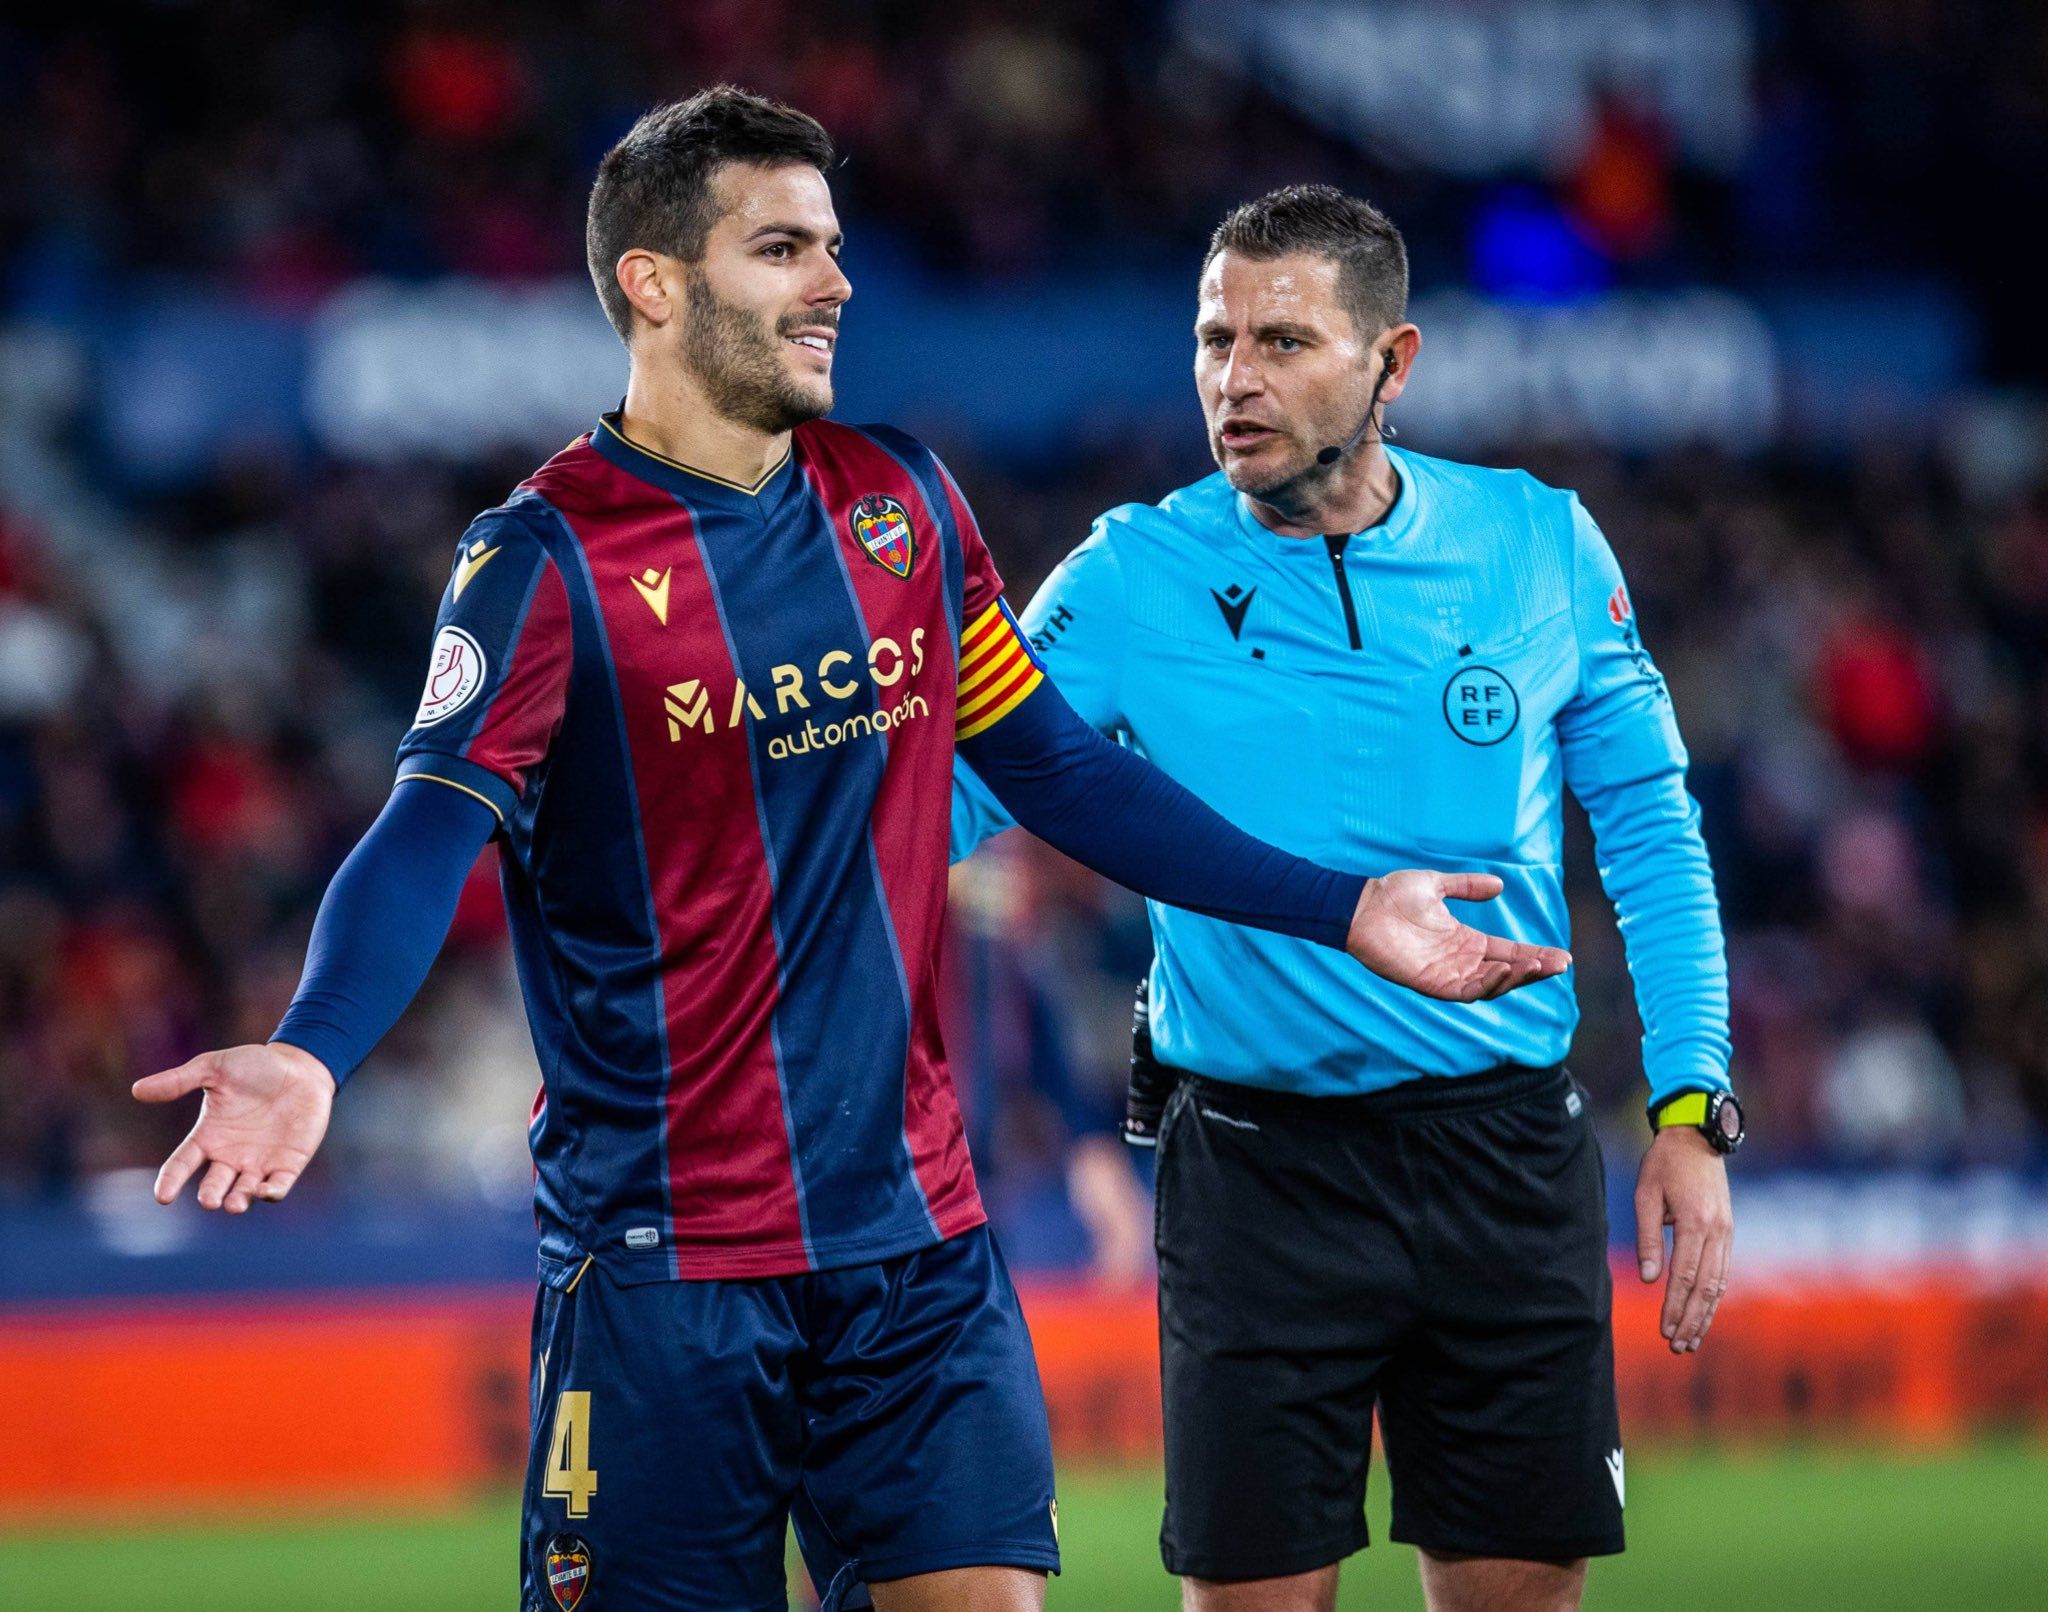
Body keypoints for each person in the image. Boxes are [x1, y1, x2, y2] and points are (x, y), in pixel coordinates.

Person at [129, 99, 1568, 1612]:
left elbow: (1059, 771)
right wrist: (314, 1048)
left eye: (831, 245)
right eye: (782, 249)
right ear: (655, 284)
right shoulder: (544, 561)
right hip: (667, 1264)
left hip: (916, 1245)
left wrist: (1342, 908)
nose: (835, 281)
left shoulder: (901, 503)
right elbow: (430, 825)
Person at [951, 185, 1740, 1612]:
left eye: (1283, 341)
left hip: (1503, 1157)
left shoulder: (1540, 543)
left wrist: (1690, 1106)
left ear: (1392, 361)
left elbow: (1650, 828)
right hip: (1256, 1173)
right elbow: (938, 799)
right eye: (1214, 339)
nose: (1234, 378)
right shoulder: (1130, 575)